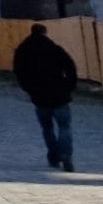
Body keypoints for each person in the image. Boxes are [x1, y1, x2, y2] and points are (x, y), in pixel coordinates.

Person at [12, 23, 78, 171]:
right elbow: (70, 66)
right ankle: (66, 156)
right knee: (64, 127)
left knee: (47, 128)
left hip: (39, 96)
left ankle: (53, 156)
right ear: (45, 32)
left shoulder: (23, 51)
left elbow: (19, 73)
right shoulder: (54, 49)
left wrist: (29, 89)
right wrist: (69, 86)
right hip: (60, 94)